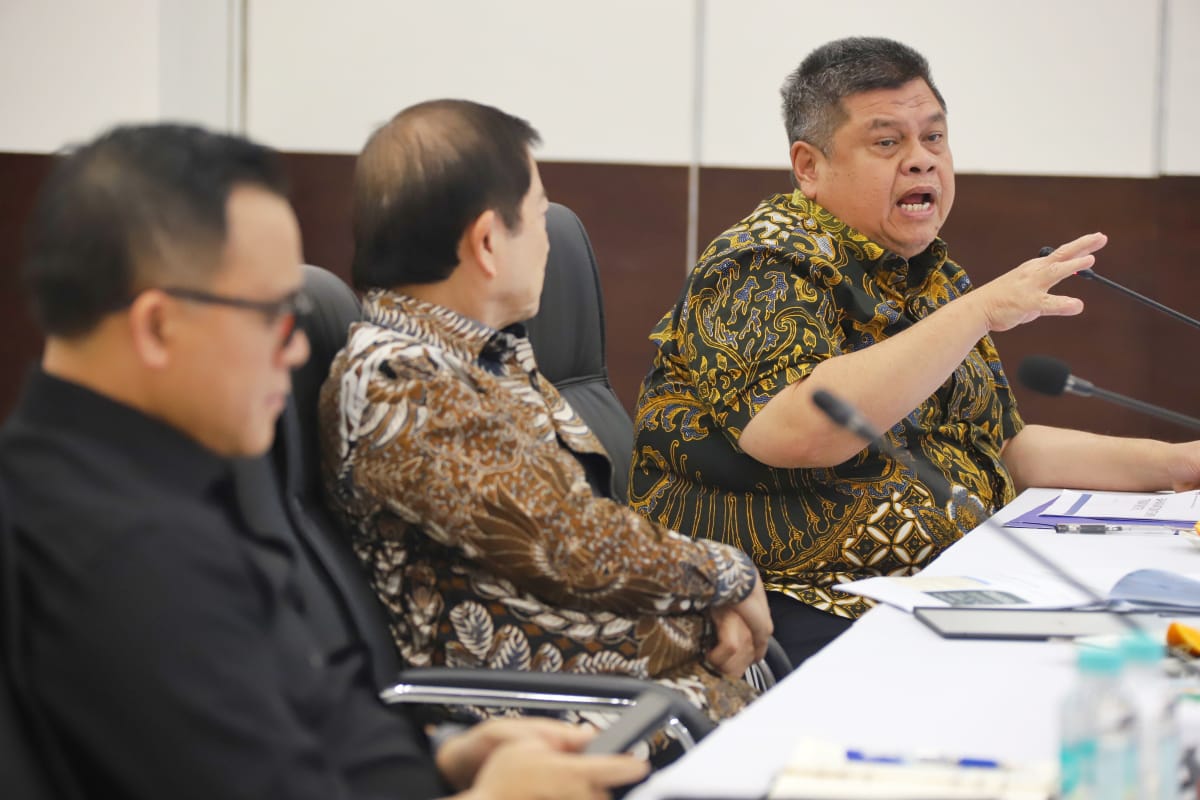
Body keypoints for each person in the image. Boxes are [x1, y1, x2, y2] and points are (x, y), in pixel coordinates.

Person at [0, 123, 648, 800]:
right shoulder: (120, 552)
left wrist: (448, 761)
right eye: (273, 314)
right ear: (159, 327)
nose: (295, 348)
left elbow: (318, 720)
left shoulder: (175, 479)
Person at [628, 36, 1200, 667]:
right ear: (809, 166)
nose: (922, 161)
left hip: (939, 579)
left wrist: (1175, 464)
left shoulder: (925, 273)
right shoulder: (762, 265)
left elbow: (998, 445)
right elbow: (797, 432)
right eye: (886, 142)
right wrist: (978, 310)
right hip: (796, 603)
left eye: (933, 138)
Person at [319, 99, 772, 729]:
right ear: (485, 242)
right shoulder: (402, 382)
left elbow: (591, 523)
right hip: (554, 723)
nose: (547, 243)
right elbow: (572, 544)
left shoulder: (485, 355)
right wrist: (728, 576)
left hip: (648, 694)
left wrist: (706, 600)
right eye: (536, 219)